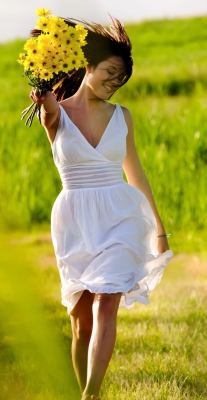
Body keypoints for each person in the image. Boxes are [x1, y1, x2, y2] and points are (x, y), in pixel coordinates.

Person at [30, 16, 173, 400]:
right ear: (87, 66)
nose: (114, 84)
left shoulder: (121, 116)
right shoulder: (56, 114)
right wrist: (42, 94)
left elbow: (137, 176)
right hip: (75, 222)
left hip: (119, 217)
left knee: (107, 299)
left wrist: (158, 231)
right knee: (80, 324)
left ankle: (90, 394)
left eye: (120, 79)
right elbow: (46, 110)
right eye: (110, 73)